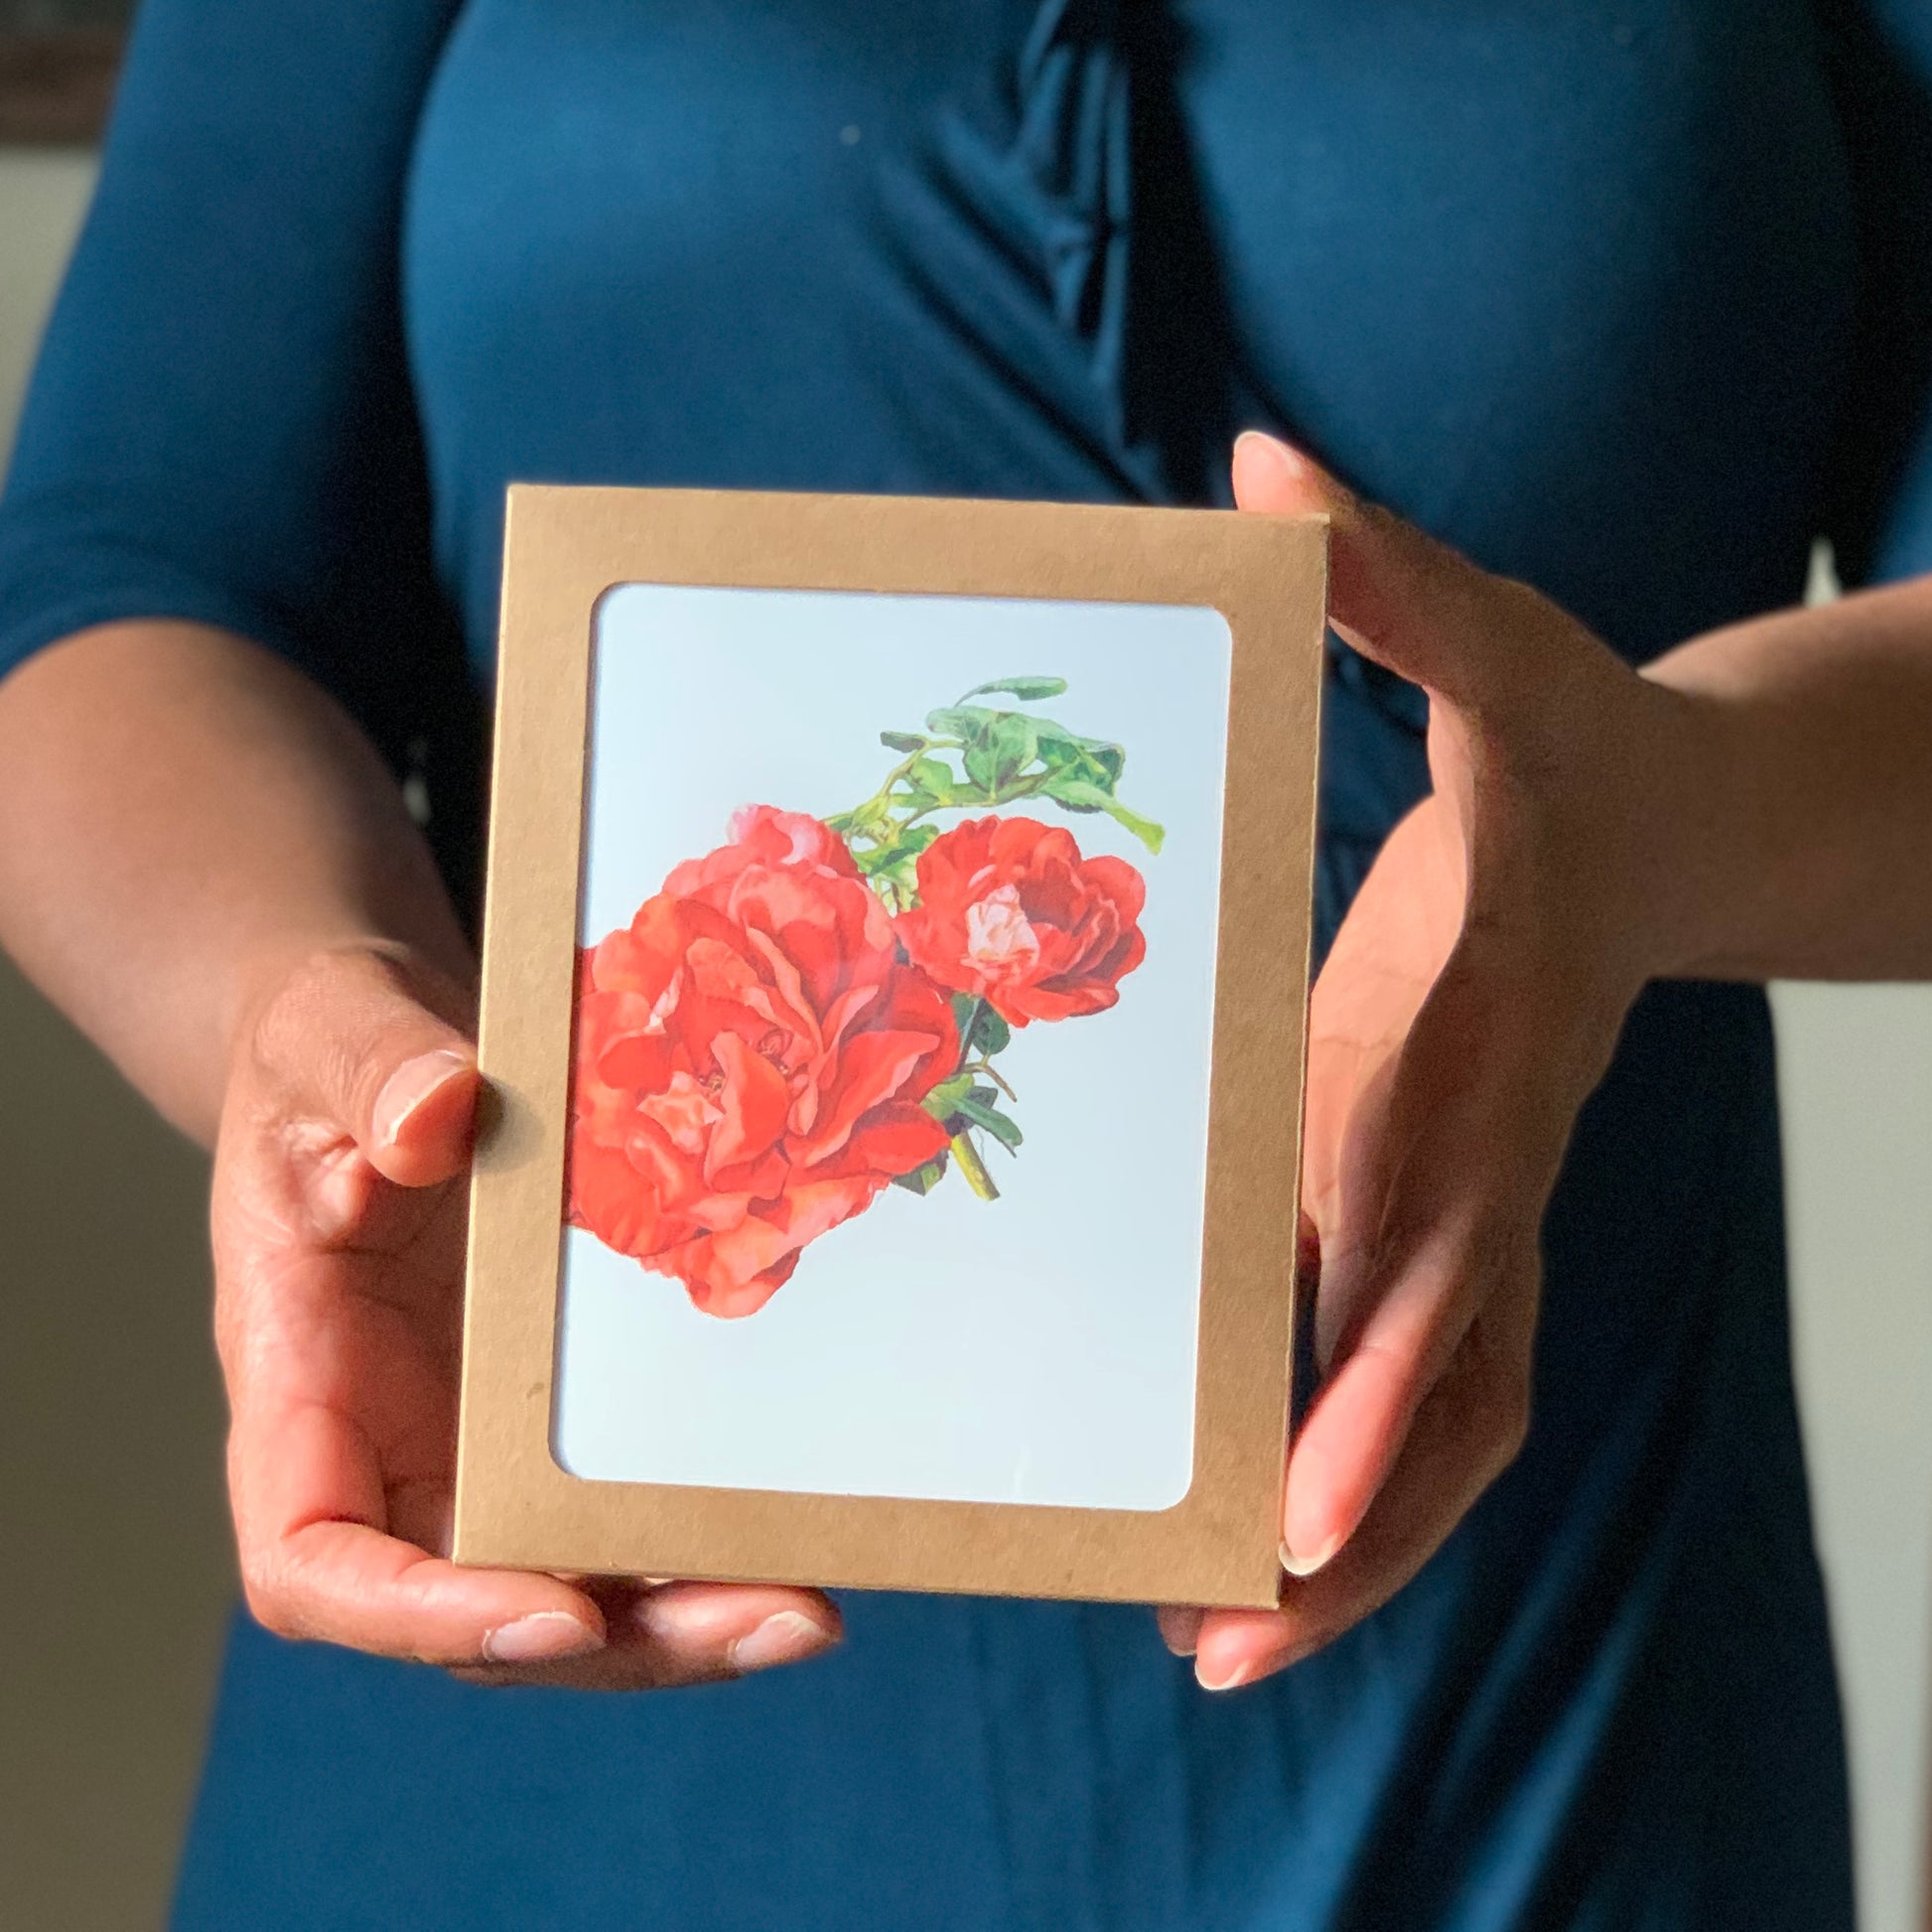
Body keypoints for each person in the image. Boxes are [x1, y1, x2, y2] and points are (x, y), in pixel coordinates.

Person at [1, 0, 1929, 1924]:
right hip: (519, 1697)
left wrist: (1646, 820)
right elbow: (124, 575)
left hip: (1527, 1753)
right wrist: (303, 1010)